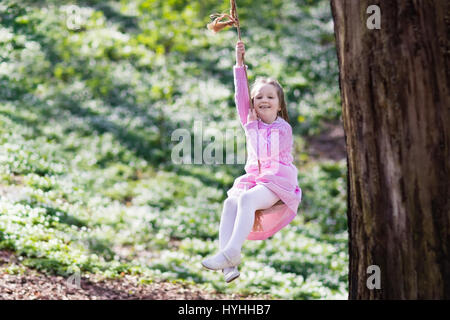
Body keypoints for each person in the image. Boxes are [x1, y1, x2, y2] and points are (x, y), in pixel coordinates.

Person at [201, 40, 302, 283]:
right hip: (256, 179)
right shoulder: (251, 122)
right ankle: (228, 267)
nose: (263, 100)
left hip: (277, 180)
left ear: (279, 105)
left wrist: (253, 123)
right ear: (253, 103)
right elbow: (240, 95)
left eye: (270, 97)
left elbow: (270, 158)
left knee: (246, 199)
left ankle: (233, 252)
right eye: (258, 97)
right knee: (230, 204)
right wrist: (239, 62)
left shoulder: (282, 128)